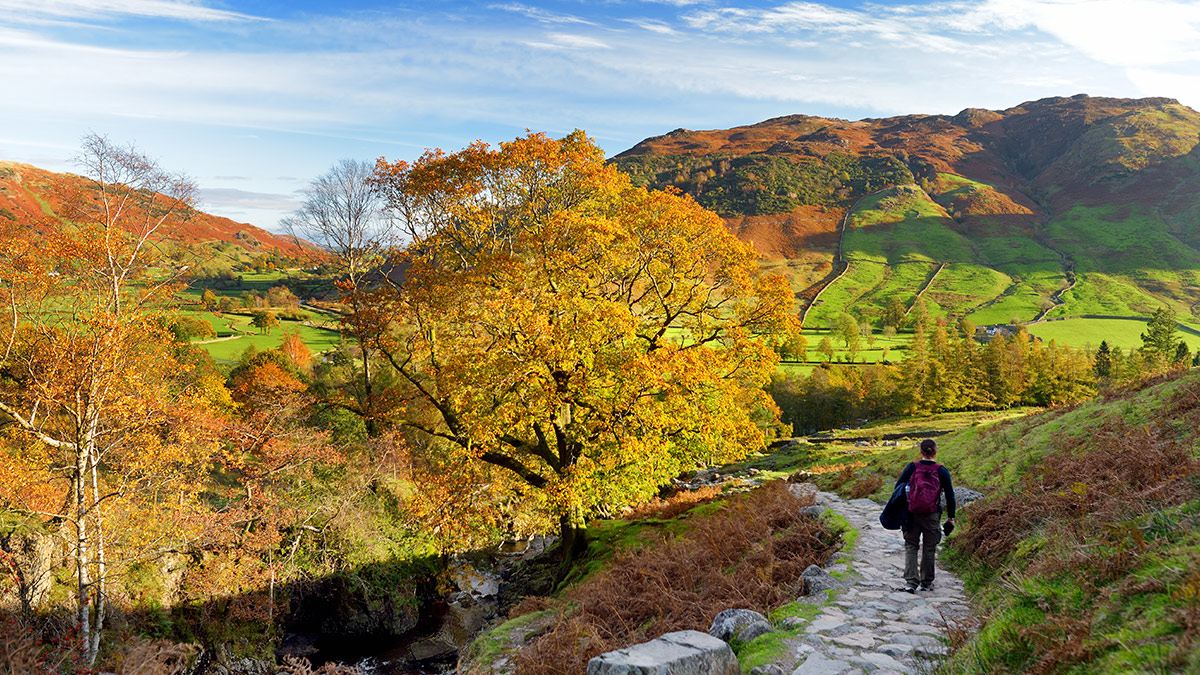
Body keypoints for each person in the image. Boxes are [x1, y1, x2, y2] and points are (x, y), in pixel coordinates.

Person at [895, 438, 955, 592]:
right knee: (929, 548)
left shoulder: (912, 467)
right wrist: (951, 518)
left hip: (912, 513)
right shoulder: (941, 470)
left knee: (911, 546)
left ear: (920, 451)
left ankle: (911, 583)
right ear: (935, 452)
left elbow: (898, 487)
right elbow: (950, 495)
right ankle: (926, 583)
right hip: (932, 514)